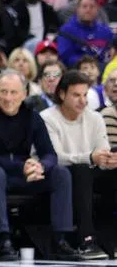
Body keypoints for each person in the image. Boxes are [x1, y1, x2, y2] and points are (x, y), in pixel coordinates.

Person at [0, 70, 79, 260]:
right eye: (3, 92)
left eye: (14, 92)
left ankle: (60, 240)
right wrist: (21, 167)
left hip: (23, 174)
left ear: (24, 94)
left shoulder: (32, 116)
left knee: (61, 174)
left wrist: (40, 166)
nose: (8, 98)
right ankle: (3, 239)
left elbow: (49, 154)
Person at [39, 70, 116, 259]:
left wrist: (110, 160)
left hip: (91, 170)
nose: (82, 101)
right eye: (76, 95)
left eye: (84, 95)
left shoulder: (95, 118)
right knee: (82, 171)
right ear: (62, 94)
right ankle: (86, 240)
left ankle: (111, 241)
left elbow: (102, 150)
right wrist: (89, 157)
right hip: (59, 175)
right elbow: (54, 157)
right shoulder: (47, 118)